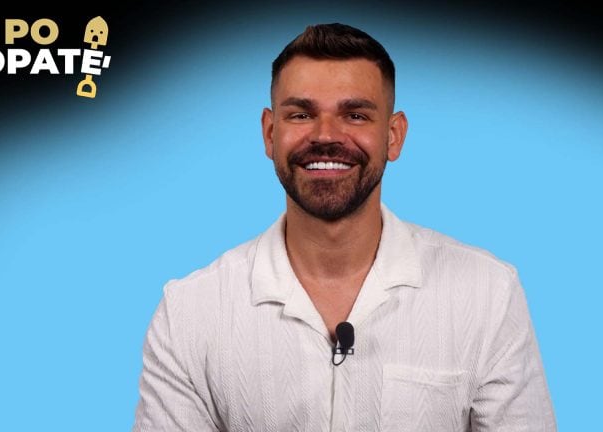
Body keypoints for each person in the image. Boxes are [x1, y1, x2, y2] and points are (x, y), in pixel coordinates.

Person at [133, 23, 556, 431]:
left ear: (393, 136)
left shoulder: (487, 294)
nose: (325, 136)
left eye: (355, 115)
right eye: (301, 114)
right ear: (270, 133)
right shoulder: (190, 313)